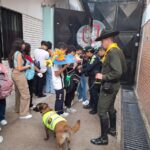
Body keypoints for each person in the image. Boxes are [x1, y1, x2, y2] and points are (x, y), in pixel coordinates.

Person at [91, 30, 127, 145]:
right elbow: (124, 69)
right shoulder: (117, 50)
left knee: (101, 111)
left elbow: (118, 71)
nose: (102, 44)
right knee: (110, 108)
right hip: (114, 85)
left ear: (107, 40)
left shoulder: (112, 52)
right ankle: (112, 130)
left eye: (102, 41)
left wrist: (104, 76)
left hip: (109, 86)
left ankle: (103, 138)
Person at [9, 39, 32, 119]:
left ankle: (18, 109)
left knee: (18, 93)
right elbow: (20, 68)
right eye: (23, 44)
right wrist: (28, 66)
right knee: (26, 94)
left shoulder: (14, 53)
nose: (24, 45)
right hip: (19, 74)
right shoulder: (18, 54)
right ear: (19, 45)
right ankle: (24, 113)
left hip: (14, 73)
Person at [81, 46, 102, 115]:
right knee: (91, 92)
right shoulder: (91, 58)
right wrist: (82, 67)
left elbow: (89, 67)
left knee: (94, 93)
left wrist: (81, 70)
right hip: (91, 77)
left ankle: (95, 109)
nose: (85, 54)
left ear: (89, 52)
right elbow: (87, 64)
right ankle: (91, 104)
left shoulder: (95, 58)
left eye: (86, 52)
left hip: (96, 78)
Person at [52, 42, 69, 117]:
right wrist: (65, 66)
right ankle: (58, 113)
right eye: (65, 51)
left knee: (61, 98)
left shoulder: (58, 57)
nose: (65, 53)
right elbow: (56, 73)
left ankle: (60, 112)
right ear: (61, 49)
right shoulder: (56, 59)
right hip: (57, 82)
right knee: (59, 98)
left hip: (59, 81)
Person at [23, 43, 41, 109]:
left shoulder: (26, 57)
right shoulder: (25, 57)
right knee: (29, 91)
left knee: (29, 91)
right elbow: (30, 66)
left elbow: (33, 65)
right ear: (28, 49)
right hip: (28, 77)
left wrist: (38, 71)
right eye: (30, 48)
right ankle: (29, 105)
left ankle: (29, 104)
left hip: (29, 76)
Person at [64, 45, 80, 113]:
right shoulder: (69, 58)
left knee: (69, 91)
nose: (75, 53)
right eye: (74, 52)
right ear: (72, 52)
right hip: (70, 77)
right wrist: (76, 64)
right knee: (71, 91)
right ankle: (68, 107)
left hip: (68, 77)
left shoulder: (67, 57)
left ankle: (66, 105)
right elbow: (70, 68)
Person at [0, 58, 7, 125]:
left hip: (2, 87)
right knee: (2, 102)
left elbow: (5, 75)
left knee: (2, 101)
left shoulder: (1, 65)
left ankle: (1, 118)